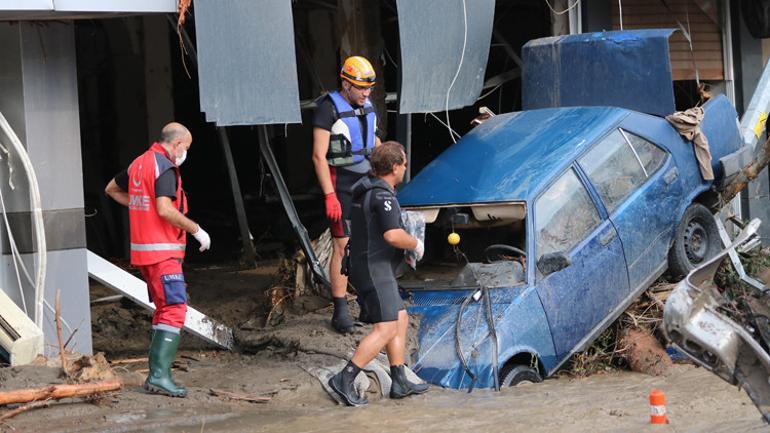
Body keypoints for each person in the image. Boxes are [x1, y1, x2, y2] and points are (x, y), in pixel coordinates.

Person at [105, 122, 211, 398]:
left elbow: (111, 189)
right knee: (175, 307)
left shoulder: (139, 163)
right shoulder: (164, 167)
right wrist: (196, 230)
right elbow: (165, 209)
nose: (185, 153)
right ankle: (159, 376)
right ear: (176, 145)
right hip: (162, 252)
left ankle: (157, 375)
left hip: (144, 252)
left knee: (164, 309)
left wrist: (142, 207)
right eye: (185, 148)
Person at [328, 141, 427, 406]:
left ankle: (399, 379)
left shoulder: (367, 189)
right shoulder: (382, 195)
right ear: (395, 167)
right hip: (373, 269)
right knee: (386, 328)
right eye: (404, 163)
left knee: (401, 317)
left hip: (369, 264)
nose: (405, 168)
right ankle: (344, 379)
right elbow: (392, 235)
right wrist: (416, 244)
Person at [312, 55, 382, 333]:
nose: (366, 93)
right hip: (340, 184)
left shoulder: (367, 105)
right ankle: (340, 308)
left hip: (366, 181)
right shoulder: (328, 108)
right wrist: (329, 195)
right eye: (361, 88)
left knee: (369, 243)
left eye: (369, 89)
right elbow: (318, 156)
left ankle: (366, 300)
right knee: (344, 246)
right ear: (345, 84)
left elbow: (372, 141)